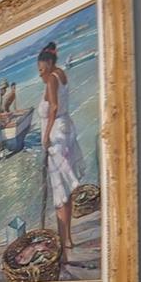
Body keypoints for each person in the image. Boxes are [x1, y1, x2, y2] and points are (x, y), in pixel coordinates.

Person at [36, 41, 83, 251]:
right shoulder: (61, 74)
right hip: (66, 130)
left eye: (41, 69)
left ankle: (64, 241)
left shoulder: (51, 81)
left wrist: (45, 137)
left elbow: (53, 108)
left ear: (48, 63)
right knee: (65, 190)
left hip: (56, 136)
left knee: (59, 191)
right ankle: (68, 238)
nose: (39, 74)